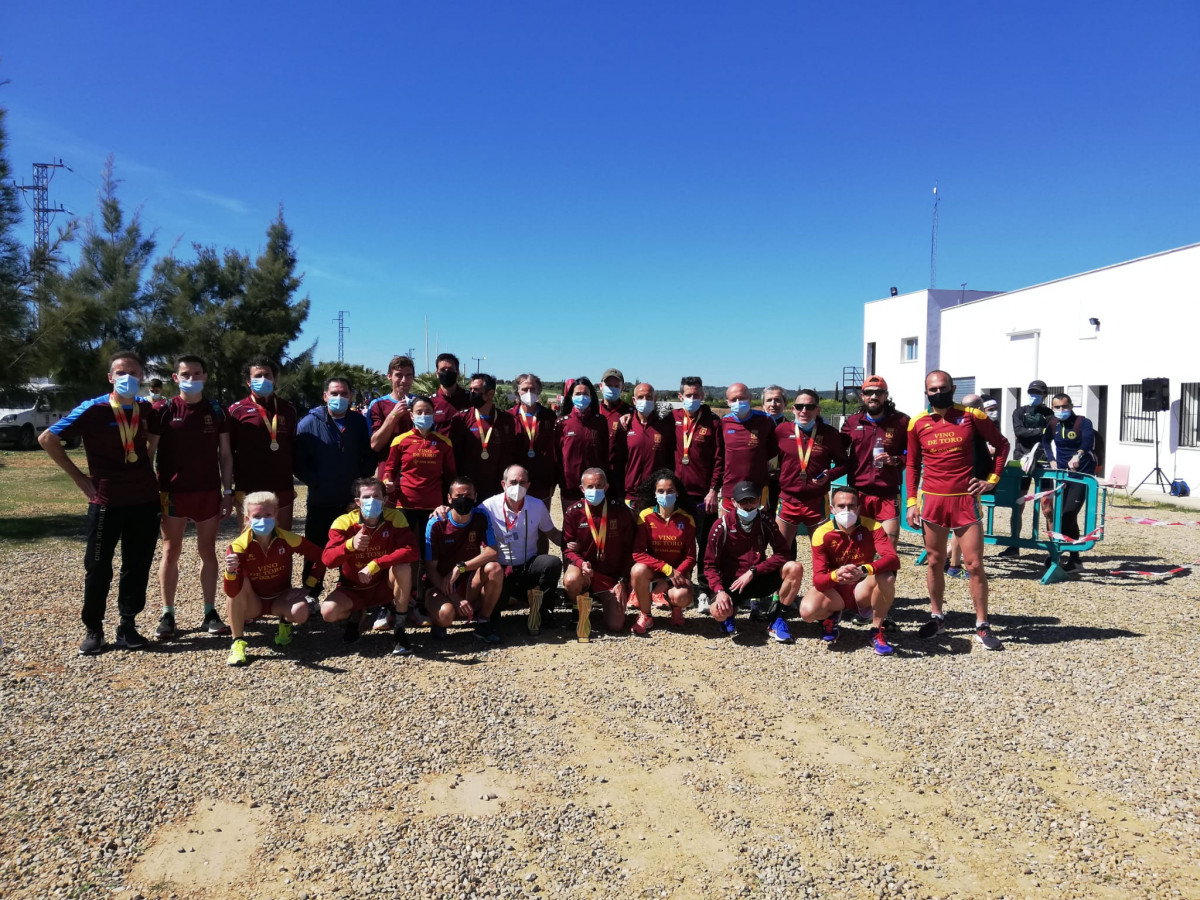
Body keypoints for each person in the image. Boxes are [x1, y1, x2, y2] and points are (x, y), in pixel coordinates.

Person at [40, 350, 162, 654]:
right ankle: (94, 629)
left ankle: (127, 625)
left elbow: (152, 441)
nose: (128, 378)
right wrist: (79, 478)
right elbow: (47, 438)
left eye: (134, 373)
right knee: (97, 566)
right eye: (121, 373)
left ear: (142, 377)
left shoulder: (146, 408)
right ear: (110, 378)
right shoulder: (92, 409)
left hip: (144, 500)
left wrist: (147, 456)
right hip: (106, 500)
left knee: (138, 565)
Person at [906, 370, 1010, 650]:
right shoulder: (917, 422)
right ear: (926, 392)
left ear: (952, 387)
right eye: (933, 389)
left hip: (965, 499)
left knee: (974, 564)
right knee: (934, 561)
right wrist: (911, 503)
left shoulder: (972, 416)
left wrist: (992, 480)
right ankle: (937, 617)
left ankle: (982, 624)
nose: (938, 392)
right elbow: (912, 465)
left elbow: (1001, 444)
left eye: (943, 387)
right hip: (933, 501)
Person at [150, 354, 235, 641]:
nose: (191, 378)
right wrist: (150, 491)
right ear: (175, 378)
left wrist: (227, 492)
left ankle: (209, 612)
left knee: (207, 551)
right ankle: (167, 613)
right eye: (185, 374)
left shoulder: (216, 410)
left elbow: (225, 455)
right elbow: (150, 453)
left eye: (197, 373)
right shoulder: (164, 409)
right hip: (172, 493)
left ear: (205, 376)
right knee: (170, 551)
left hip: (208, 492)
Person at [223, 491, 325, 667]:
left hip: (280, 598)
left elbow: (321, 557)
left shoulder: (288, 538)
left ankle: (284, 625)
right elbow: (232, 591)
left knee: (301, 612)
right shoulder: (238, 546)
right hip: (253, 603)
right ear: (248, 519)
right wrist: (230, 571)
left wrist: (309, 585)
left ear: (276, 515)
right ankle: (237, 642)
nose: (263, 520)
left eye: (268, 515)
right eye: (257, 516)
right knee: (241, 584)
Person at [320, 477, 419, 654]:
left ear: (385, 499)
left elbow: (411, 550)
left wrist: (376, 563)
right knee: (328, 612)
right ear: (357, 501)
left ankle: (399, 628)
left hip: (383, 585)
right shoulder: (343, 522)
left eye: (376, 496)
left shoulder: (395, 517)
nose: (371, 501)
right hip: (353, 588)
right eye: (366, 497)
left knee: (403, 567)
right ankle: (357, 614)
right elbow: (327, 560)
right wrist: (350, 545)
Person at [799, 486, 900, 655]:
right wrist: (836, 575)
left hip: (863, 589)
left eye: (852, 506)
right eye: (841, 506)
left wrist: (864, 569)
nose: (847, 510)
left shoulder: (873, 526)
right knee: (807, 612)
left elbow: (893, 559)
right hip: (835, 590)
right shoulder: (821, 533)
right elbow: (818, 579)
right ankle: (830, 616)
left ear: (859, 508)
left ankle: (877, 630)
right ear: (832, 509)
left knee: (887, 577)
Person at [294, 376, 376, 584]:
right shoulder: (308, 423)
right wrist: (317, 482)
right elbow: (299, 462)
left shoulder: (358, 422)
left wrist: (361, 486)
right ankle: (311, 592)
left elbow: (368, 455)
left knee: (350, 549)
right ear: (325, 396)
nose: (339, 397)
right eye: (334, 393)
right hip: (321, 500)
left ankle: (348, 589)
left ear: (351, 396)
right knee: (316, 549)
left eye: (344, 394)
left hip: (350, 502)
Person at [382, 394, 456, 621]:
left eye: (428, 412)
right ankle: (390, 604)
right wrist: (386, 482)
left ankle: (420, 604)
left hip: (433, 509)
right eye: (419, 412)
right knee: (403, 555)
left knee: (427, 557)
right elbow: (389, 470)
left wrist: (446, 503)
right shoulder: (400, 441)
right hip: (405, 506)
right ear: (411, 415)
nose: (424, 416)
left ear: (434, 415)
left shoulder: (444, 443)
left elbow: (451, 478)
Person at [704, 480, 803, 641]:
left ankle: (777, 619)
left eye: (752, 500)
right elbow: (709, 565)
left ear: (759, 500)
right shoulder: (721, 526)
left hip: (758, 577)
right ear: (734, 502)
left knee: (795, 567)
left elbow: (783, 553)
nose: (748, 505)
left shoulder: (765, 520)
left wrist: (754, 571)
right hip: (733, 583)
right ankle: (730, 613)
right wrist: (719, 591)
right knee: (718, 612)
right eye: (743, 501)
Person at [480, 465, 563, 635]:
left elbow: (553, 534)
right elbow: (467, 525)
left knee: (552, 563)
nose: (517, 487)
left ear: (528, 485)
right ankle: (491, 618)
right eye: (513, 482)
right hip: (501, 569)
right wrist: (442, 511)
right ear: (503, 484)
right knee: (496, 595)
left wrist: (579, 542)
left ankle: (543, 611)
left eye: (522, 482)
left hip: (527, 565)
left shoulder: (537, 505)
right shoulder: (487, 506)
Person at [423, 477, 503, 643]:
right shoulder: (436, 523)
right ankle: (438, 617)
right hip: (440, 583)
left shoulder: (480, 516)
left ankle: (483, 622)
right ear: (449, 498)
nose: (463, 500)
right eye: (459, 495)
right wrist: (454, 597)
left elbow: (492, 552)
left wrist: (461, 567)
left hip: (467, 580)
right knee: (446, 615)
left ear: (475, 497)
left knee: (494, 568)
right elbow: (430, 569)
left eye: (468, 496)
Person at [562, 468, 636, 640]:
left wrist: (623, 581)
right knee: (571, 578)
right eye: (590, 487)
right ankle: (577, 610)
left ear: (607, 487)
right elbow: (567, 549)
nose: (594, 491)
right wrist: (581, 564)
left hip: (610, 577)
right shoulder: (574, 512)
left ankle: (604, 601)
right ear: (582, 488)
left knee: (616, 625)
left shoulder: (620, 511)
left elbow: (629, 549)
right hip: (586, 574)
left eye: (599, 486)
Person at [229, 356, 298, 530]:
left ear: (274, 379)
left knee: (282, 540)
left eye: (267, 375)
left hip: (281, 484)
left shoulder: (288, 409)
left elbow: (292, 445)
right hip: (249, 485)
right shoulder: (236, 411)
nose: (263, 379)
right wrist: (228, 489)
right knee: (250, 544)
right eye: (257, 376)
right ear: (248, 381)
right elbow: (227, 451)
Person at [775, 388, 850, 547]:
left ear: (818, 409)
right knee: (781, 550)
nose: (804, 411)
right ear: (793, 409)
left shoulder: (829, 433)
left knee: (822, 550)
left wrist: (829, 474)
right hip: (788, 500)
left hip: (817, 501)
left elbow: (844, 464)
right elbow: (768, 457)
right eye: (800, 406)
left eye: (809, 407)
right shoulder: (781, 431)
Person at [672, 376, 723, 607]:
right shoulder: (671, 419)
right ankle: (681, 586)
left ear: (702, 396)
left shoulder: (713, 422)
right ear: (680, 397)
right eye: (688, 395)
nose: (692, 399)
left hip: (704, 496)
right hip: (676, 495)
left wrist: (714, 490)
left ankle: (704, 589)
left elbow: (719, 459)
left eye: (696, 395)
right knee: (678, 543)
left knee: (705, 544)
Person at [841, 375, 909, 547]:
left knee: (887, 547)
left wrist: (895, 460)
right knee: (858, 548)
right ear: (863, 396)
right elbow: (837, 452)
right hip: (858, 493)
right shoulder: (852, 421)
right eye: (868, 392)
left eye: (879, 392)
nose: (873, 396)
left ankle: (885, 574)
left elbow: (913, 455)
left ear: (886, 395)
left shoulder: (901, 421)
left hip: (887, 492)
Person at [630, 470, 696, 633]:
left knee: (682, 596)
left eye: (670, 491)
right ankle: (646, 615)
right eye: (661, 491)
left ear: (677, 493)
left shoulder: (687, 519)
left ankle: (676, 609)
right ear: (654, 493)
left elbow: (691, 557)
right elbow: (638, 553)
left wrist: (669, 579)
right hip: (655, 571)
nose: (665, 495)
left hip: (677, 574)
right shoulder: (645, 516)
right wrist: (666, 569)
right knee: (637, 570)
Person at [1039, 394, 1096, 574]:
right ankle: (1073, 559)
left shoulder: (1083, 422)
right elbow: (1045, 441)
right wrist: (1051, 459)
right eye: (1057, 408)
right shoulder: (1053, 423)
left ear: (1071, 406)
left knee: (1068, 514)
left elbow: (1088, 441)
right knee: (1063, 516)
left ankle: (1060, 553)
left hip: (1081, 475)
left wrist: (1077, 455)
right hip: (1062, 475)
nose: (1061, 411)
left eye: (1064, 407)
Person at [1000, 379, 1053, 558]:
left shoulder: (1050, 413)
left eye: (1037, 393)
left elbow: (1051, 434)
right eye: (1031, 392)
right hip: (1022, 460)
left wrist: (1041, 432)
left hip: (1043, 461)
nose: (1034, 396)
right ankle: (1014, 545)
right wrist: (1041, 431)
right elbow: (1019, 432)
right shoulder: (1019, 411)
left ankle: (1052, 547)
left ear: (1044, 395)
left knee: (1048, 507)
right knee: (1018, 504)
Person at [451, 372, 517, 499]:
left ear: (490, 393)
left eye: (476, 390)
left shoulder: (506, 420)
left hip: (497, 488)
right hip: (468, 490)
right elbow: (455, 455)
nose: (471, 393)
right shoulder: (461, 419)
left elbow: (510, 453)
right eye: (470, 389)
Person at [719, 383, 778, 510]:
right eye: (734, 400)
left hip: (758, 488)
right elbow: (719, 454)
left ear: (750, 398)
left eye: (742, 398)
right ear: (727, 402)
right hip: (731, 487)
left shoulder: (766, 420)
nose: (738, 402)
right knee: (729, 526)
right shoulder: (724, 422)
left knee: (759, 527)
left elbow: (774, 450)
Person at [556, 377, 613, 507]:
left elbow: (605, 453)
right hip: (570, 486)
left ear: (591, 396)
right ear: (571, 396)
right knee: (572, 522)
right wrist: (561, 479)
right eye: (578, 394)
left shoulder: (600, 422)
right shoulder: (562, 423)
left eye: (586, 394)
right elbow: (557, 456)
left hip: (595, 486)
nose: (582, 397)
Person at [616, 383, 675, 505]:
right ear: (634, 400)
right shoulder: (625, 425)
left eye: (649, 397)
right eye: (641, 397)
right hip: (630, 494)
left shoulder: (665, 427)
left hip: (655, 494)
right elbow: (618, 459)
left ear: (655, 399)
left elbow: (670, 459)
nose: (645, 401)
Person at [509, 373, 559, 506]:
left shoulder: (549, 416)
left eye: (532, 389)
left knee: (540, 521)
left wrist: (553, 481)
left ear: (538, 391)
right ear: (517, 391)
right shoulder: (509, 417)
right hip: (516, 481)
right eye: (525, 389)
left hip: (542, 480)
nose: (529, 392)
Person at [367, 355, 416, 479]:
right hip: (388, 475)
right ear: (389, 377)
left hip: (415, 474)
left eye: (408, 375)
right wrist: (393, 415)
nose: (404, 380)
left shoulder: (420, 404)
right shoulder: (378, 404)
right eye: (399, 375)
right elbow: (375, 445)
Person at [761, 385, 787, 517]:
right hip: (759, 482)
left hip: (783, 483)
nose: (773, 404)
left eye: (777, 400)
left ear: (785, 403)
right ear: (763, 404)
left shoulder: (792, 428)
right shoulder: (755, 427)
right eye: (769, 400)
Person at [432, 352, 471, 435]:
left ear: (457, 373)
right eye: (442, 370)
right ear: (437, 374)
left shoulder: (471, 398)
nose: (446, 372)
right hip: (440, 447)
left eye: (450, 369)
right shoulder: (430, 402)